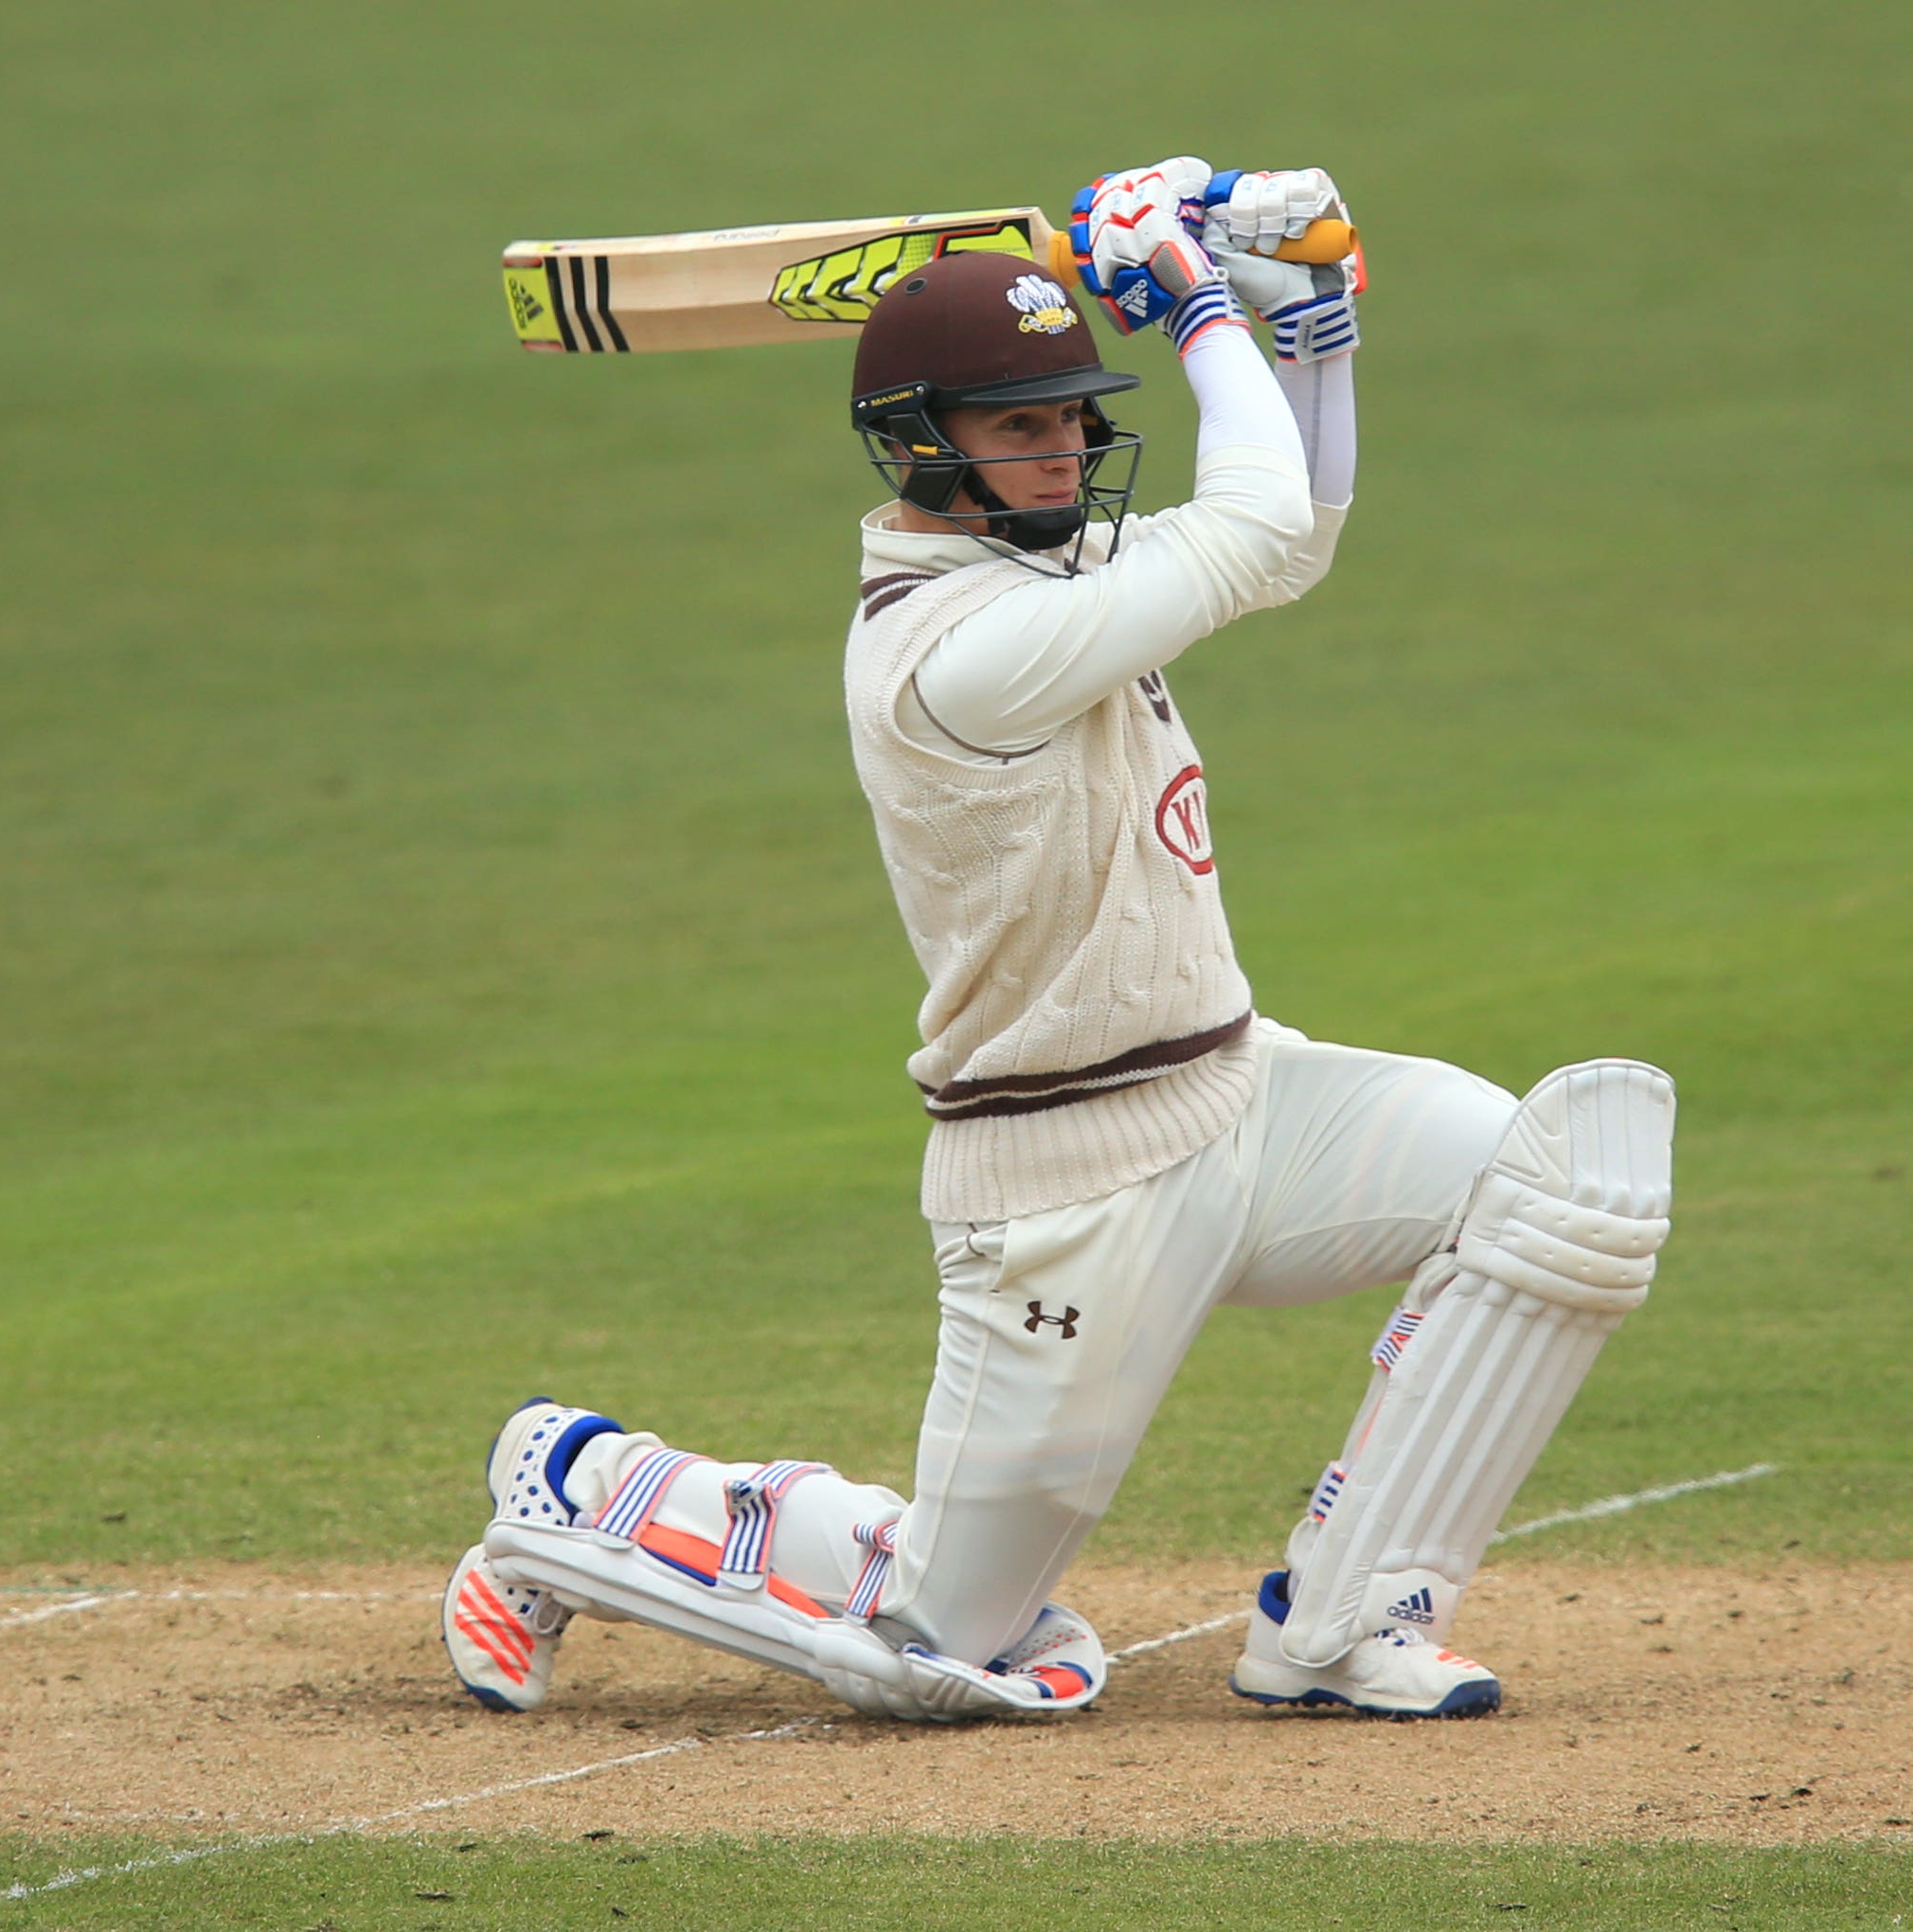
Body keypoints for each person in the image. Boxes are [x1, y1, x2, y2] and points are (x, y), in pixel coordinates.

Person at [440, 160, 1675, 1723]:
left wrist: (1309, 333)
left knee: (1571, 1183)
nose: (1069, 448)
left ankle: (1347, 1620)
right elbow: (1248, 526)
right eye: (1021, 425)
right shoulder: (960, 654)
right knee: (946, 1652)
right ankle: (580, 1490)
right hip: (1063, 1183)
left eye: (1076, 415)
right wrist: (1199, 301)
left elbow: (1289, 538)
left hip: (1244, 1103)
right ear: (920, 442)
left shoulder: (1055, 570)